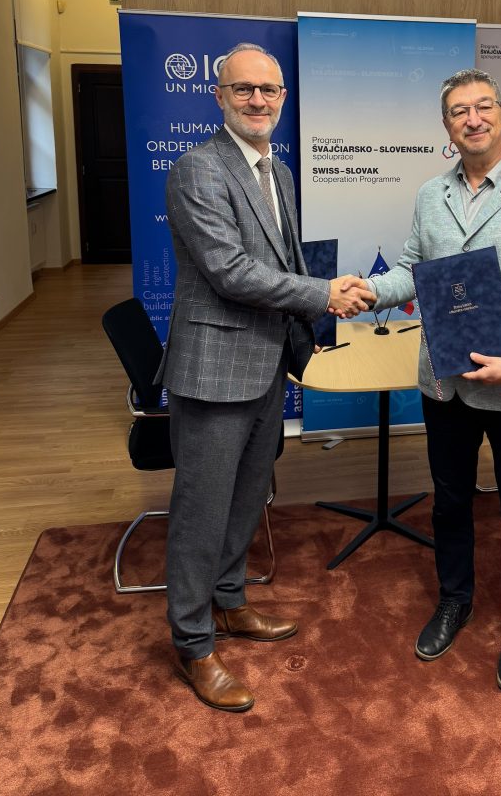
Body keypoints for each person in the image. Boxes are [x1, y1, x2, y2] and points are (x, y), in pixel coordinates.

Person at [342, 68, 501, 691]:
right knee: (449, 502)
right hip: (446, 380)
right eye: (458, 111)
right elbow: (412, 270)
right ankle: (455, 600)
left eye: (483, 106)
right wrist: (371, 291)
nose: (473, 119)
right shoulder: (431, 195)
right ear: (446, 126)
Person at [157, 42, 374, 713]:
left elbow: (281, 261)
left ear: (283, 97)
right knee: (201, 512)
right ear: (218, 96)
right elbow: (230, 272)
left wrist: (320, 306)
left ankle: (229, 603)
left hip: (266, 364)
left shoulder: (276, 171)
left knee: (249, 497)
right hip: (214, 370)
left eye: (269, 90)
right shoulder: (199, 169)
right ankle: (193, 644)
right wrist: (324, 294)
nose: (258, 100)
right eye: (244, 89)